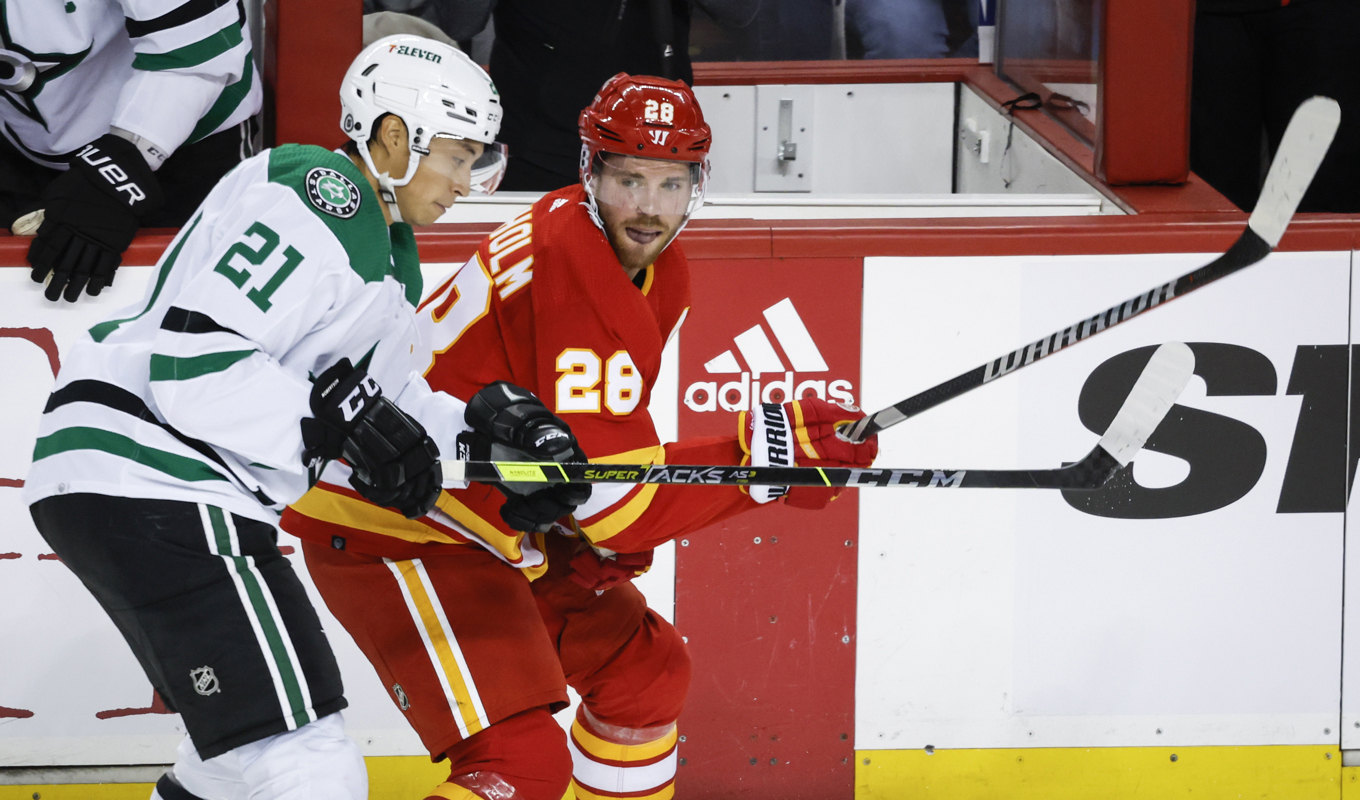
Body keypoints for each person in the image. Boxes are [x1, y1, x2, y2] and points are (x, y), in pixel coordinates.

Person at [281, 73, 880, 800]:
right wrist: (770, 462)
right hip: (396, 521)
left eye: (670, 184)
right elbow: (617, 496)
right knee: (519, 768)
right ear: (589, 173)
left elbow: (594, 461)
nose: (649, 208)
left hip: (485, 518)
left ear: (698, 186)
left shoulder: (655, 269)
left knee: (644, 674)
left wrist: (600, 535)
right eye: (628, 179)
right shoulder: (573, 259)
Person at [23, 35, 588, 800]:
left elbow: (373, 408)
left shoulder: (383, 250)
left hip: (145, 482)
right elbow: (198, 362)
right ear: (394, 136)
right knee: (306, 764)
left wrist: (492, 447)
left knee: (228, 768)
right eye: (456, 155)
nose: (466, 180)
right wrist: (343, 430)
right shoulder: (322, 190)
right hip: (155, 473)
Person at [4, 0, 262, 302]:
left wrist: (117, 174)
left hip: (186, 145)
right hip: (19, 141)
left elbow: (194, 54)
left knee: (203, 312)